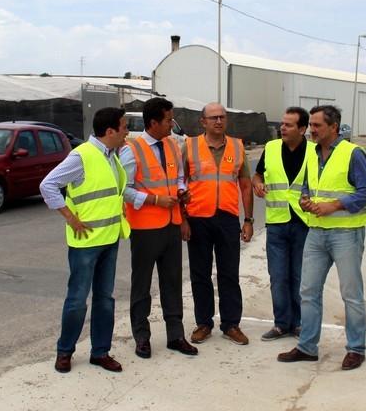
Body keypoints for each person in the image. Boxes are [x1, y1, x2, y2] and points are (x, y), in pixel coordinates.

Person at [277, 104, 366, 371]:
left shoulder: (353, 154)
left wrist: (335, 205)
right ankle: (307, 347)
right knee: (308, 290)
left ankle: (356, 348)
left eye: (317, 126)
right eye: (311, 125)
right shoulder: (312, 154)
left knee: (350, 293)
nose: (312, 130)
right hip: (317, 232)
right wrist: (307, 201)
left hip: (346, 233)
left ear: (334, 127)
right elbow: (309, 187)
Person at [40, 107, 130, 374]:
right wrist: (70, 217)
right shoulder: (82, 156)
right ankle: (65, 351)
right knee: (78, 300)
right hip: (85, 243)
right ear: (110, 131)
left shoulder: (112, 156)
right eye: (124, 127)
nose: (127, 132)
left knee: (105, 299)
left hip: (110, 238)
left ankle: (100, 352)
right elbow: (48, 185)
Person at [119, 98, 199, 359]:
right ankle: (142, 337)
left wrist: (182, 193)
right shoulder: (131, 149)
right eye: (168, 120)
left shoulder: (173, 145)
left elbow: (178, 179)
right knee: (141, 285)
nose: (171, 124)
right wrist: (154, 200)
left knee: (172, 282)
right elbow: (125, 190)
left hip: (171, 225)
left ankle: (176, 335)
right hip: (145, 228)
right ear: (153, 122)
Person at [183, 102, 254, 346]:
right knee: (200, 274)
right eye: (213, 117)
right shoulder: (189, 146)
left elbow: (245, 185)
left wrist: (248, 220)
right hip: (198, 218)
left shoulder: (237, 146)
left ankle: (231, 324)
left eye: (222, 117)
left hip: (227, 218)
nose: (219, 121)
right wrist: (183, 219)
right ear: (202, 122)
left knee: (229, 273)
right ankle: (203, 323)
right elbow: (180, 184)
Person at [252, 106, 311, 341]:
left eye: (288, 125)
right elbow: (258, 174)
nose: (282, 128)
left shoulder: (314, 151)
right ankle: (281, 324)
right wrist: (257, 183)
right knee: (278, 276)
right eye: (282, 124)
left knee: (300, 276)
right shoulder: (271, 147)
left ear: (303, 129)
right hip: (276, 222)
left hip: (304, 223)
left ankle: (298, 324)